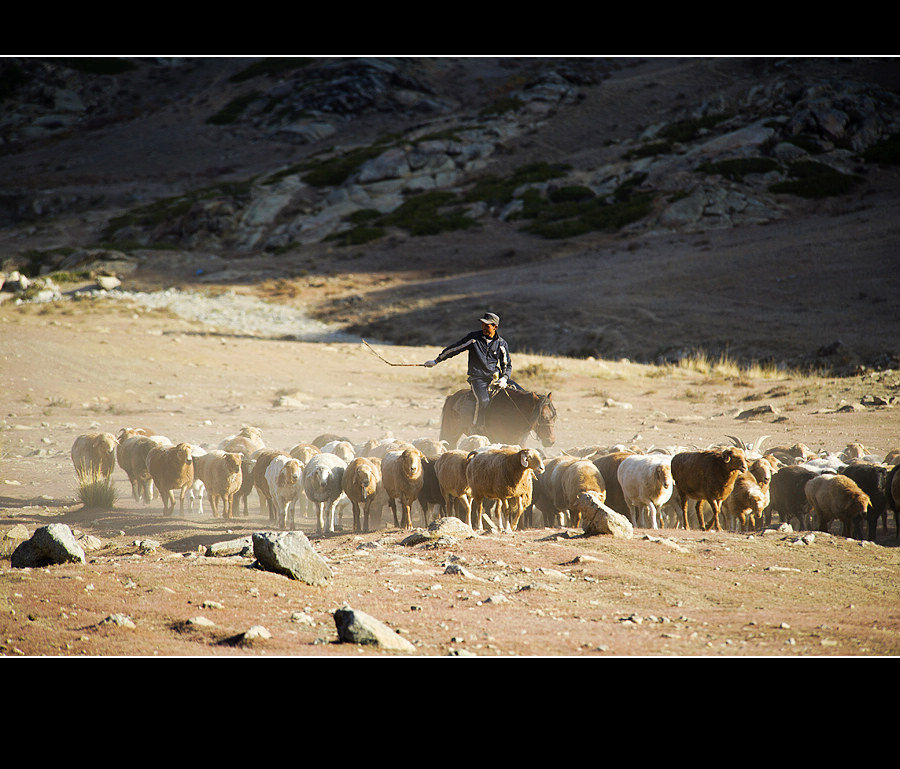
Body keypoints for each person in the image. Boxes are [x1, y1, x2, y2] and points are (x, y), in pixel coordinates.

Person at [424, 312, 521, 427]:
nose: (484, 327)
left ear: (495, 327)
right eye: (483, 324)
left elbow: (507, 365)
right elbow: (455, 348)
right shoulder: (473, 338)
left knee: (521, 392)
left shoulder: (501, 344)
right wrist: (437, 360)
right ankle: (478, 426)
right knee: (483, 401)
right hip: (478, 378)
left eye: (487, 325)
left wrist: (504, 379)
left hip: (496, 378)